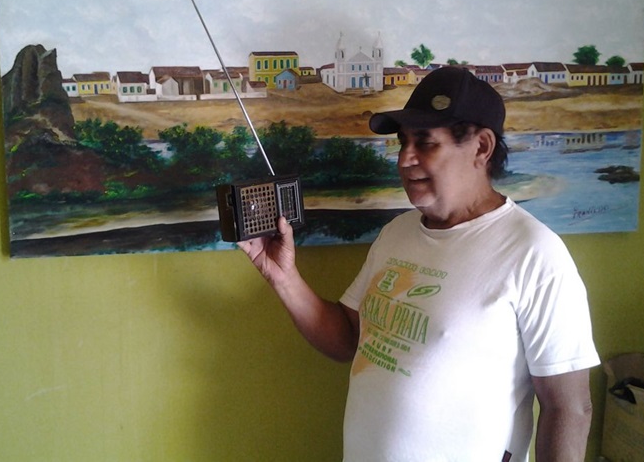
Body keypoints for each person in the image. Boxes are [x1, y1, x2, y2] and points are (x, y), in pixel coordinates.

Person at [237, 66, 600, 461]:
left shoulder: (535, 253)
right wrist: (284, 277)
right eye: (403, 143)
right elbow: (348, 339)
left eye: (425, 142)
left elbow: (569, 407)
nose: (405, 159)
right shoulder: (397, 233)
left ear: (481, 147)